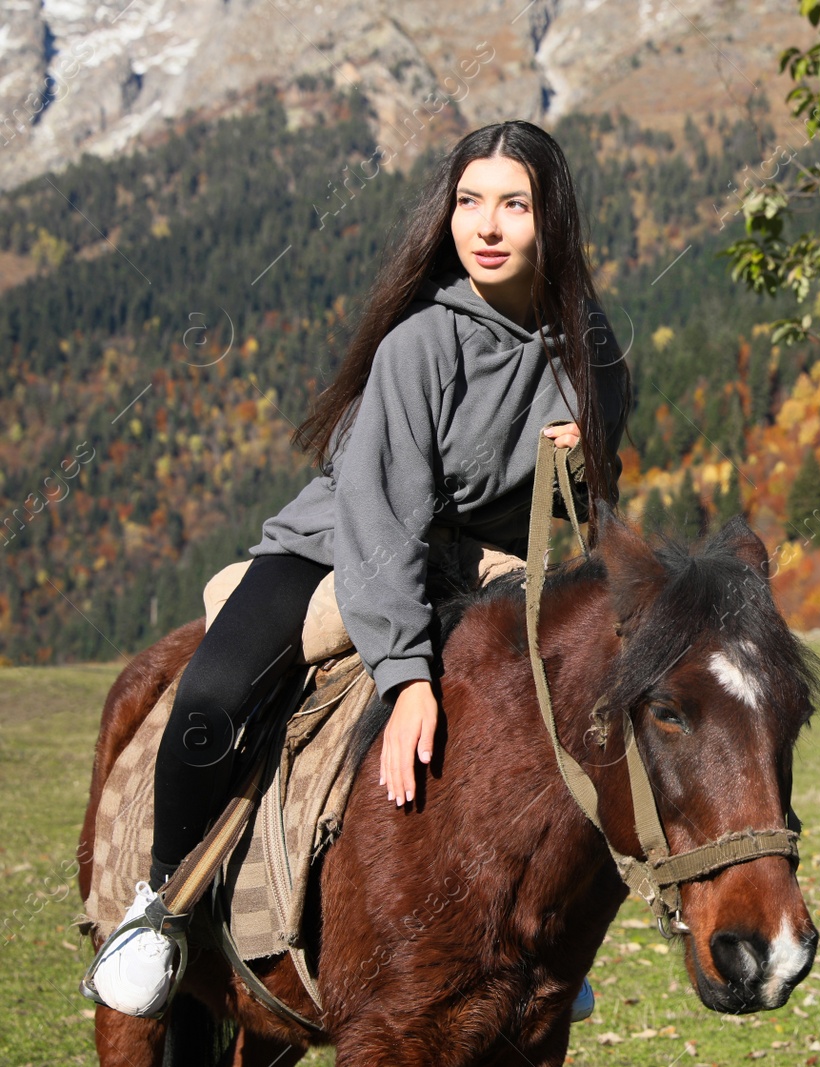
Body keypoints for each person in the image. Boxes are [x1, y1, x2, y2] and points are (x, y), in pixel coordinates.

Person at [85, 120, 632, 1021]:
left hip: (489, 566)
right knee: (213, 695)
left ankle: (534, 938)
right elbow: (384, 519)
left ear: (553, 221)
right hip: (344, 541)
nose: (486, 226)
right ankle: (159, 908)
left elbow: (591, 506)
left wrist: (579, 467)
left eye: (513, 204)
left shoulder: (593, 353)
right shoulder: (421, 344)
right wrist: (407, 673)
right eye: (468, 202)